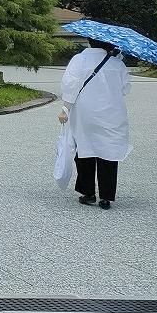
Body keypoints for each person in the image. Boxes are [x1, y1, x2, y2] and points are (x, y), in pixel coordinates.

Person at [58, 38, 132, 209]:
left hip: (85, 113)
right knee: (109, 152)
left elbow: (70, 86)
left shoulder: (79, 60)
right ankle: (106, 197)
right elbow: (125, 88)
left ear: (90, 41)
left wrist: (65, 110)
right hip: (111, 114)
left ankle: (88, 193)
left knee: (84, 149)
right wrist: (117, 61)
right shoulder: (117, 64)